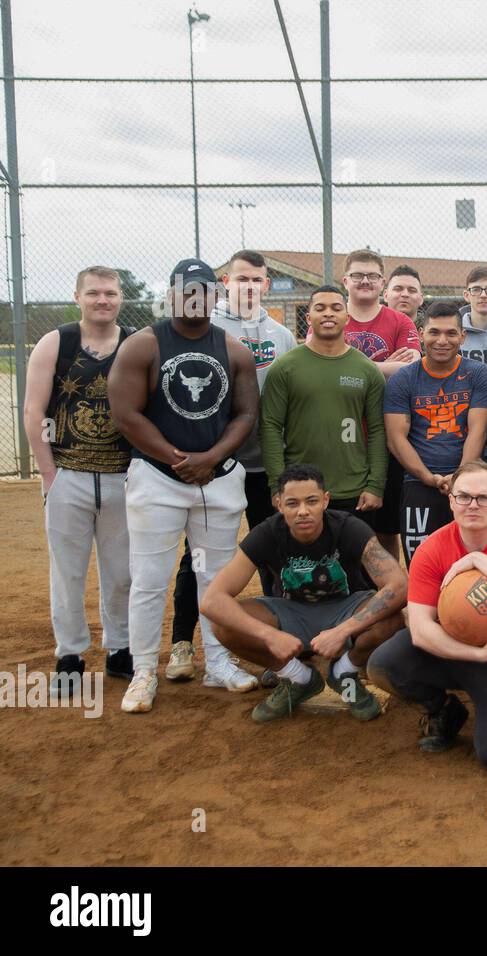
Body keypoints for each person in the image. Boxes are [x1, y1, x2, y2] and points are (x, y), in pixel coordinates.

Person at [107, 258, 261, 712]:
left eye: (205, 291)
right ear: (172, 294)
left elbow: (246, 414)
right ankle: (142, 672)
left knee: (215, 579)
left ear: (217, 296)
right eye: (187, 290)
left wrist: (211, 458)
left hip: (217, 479)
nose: (196, 299)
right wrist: (175, 459)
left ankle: (217, 663)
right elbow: (126, 414)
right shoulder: (143, 345)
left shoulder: (233, 349)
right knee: (149, 580)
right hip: (157, 478)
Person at [366, 461, 487, 773]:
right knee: (384, 665)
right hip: (453, 648)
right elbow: (422, 630)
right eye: (464, 496)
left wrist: (478, 560)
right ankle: (444, 710)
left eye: (484, 498)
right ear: (451, 500)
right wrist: (476, 654)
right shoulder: (433, 548)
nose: (473, 505)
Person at [170, 249, 297, 671]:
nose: (248, 285)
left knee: (273, 549)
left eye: (256, 279)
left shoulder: (280, 335)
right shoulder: (206, 327)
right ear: (225, 282)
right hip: (216, 465)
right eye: (240, 278)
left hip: (263, 464)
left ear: (266, 284)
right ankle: (182, 644)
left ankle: (281, 639)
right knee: (200, 556)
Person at [201, 463, 409, 720]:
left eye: (311, 501)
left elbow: (399, 585)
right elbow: (212, 600)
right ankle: (297, 677)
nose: (303, 511)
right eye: (292, 503)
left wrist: (343, 631)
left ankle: (344, 673)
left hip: (345, 607)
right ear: (278, 504)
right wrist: (269, 635)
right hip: (291, 612)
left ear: (325, 500)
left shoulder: (348, 527)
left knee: (393, 619)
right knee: (222, 625)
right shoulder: (266, 533)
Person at [23, 265, 133, 688]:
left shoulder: (135, 345)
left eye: (109, 293)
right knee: (67, 570)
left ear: (120, 297)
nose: (102, 300)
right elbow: (33, 412)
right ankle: (69, 654)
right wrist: (49, 472)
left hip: (121, 476)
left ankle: (120, 647)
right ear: (77, 296)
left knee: (121, 570)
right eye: (93, 293)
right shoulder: (58, 342)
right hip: (67, 472)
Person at [260, 286, 388, 522]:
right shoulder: (285, 367)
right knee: (301, 559)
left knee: (350, 559)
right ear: (308, 318)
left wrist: (375, 485)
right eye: (320, 308)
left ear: (347, 317)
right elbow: (270, 426)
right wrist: (277, 484)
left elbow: (379, 429)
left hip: (353, 489)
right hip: (299, 490)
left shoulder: (367, 370)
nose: (328, 313)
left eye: (336, 308)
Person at [384, 303, 487, 563]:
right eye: (434, 332)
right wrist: (428, 477)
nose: (442, 340)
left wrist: (460, 477)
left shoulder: (478, 374)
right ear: (421, 334)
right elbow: (396, 439)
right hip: (418, 482)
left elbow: (477, 432)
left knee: (472, 563)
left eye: (451, 333)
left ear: (463, 336)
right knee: (422, 563)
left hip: (470, 482)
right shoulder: (403, 379)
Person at [334, 250, 421, 560]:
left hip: (388, 436)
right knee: (344, 520)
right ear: (345, 280)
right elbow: (323, 367)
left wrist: (347, 365)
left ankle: (390, 596)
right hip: (342, 436)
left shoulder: (399, 321)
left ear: (382, 282)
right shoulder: (333, 316)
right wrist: (382, 365)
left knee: (386, 525)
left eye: (372, 275)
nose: (365, 281)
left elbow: (410, 370)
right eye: (357, 275)